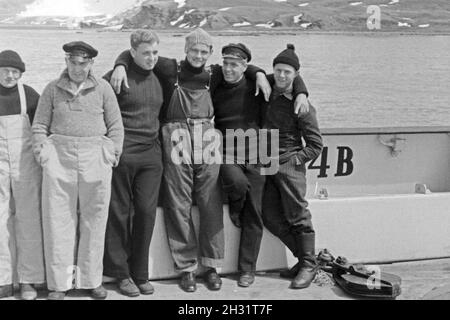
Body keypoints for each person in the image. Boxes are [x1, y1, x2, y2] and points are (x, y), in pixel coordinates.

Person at [110, 28, 270, 293]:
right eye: (194, 50)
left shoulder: (214, 74)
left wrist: (260, 74)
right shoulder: (170, 68)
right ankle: (186, 269)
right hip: (176, 135)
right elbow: (133, 53)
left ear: (209, 53)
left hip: (206, 135)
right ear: (186, 50)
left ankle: (212, 266)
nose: (198, 55)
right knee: (178, 202)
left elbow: (245, 67)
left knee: (210, 201)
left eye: (204, 51)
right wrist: (118, 66)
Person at [32, 41, 124, 300]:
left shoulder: (103, 88)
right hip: (59, 157)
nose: (77, 68)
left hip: (96, 156)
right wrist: (42, 152)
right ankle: (59, 284)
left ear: (91, 63)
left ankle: (91, 280)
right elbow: (39, 124)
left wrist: (112, 152)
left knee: (94, 220)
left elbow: (116, 124)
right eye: (73, 62)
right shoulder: (52, 89)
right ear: (66, 62)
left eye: (83, 63)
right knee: (57, 220)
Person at [213, 43, 310, 287]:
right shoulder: (215, 79)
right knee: (236, 182)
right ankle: (237, 205)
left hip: (258, 154)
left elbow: (291, 78)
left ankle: (247, 270)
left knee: (256, 214)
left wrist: (301, 93)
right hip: (227, 151)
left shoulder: (257, 82)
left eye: (235, 64)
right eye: (226, 63)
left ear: (244, 66)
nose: (228, 68)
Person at [102, 30, 164, 297]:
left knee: (146, 212)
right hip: (122, 154)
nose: (152, 58)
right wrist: (120, 64)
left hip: (151, 156)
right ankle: (120, 274)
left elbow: (202, 65)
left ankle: (140, 273)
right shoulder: (115, 77)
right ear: (133, 53)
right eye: (146, 53)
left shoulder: (162, 73)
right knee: (119, 213)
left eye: (155, 52)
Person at [262, 44, 323, 290]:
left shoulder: (303, 106)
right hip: (265, 163)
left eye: (288, 72)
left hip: (289, 166)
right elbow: (252, 72)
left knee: (298, 215)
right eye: (278, 70)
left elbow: (316, 146)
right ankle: (307, 259)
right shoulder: (265, 89)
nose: (282, 76)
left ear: (296, 74)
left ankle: (308, 264)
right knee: (269, 216)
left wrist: (293, 161)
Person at [0, 50, 45, 300]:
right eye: (5, 70)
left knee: (28, 220)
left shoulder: (28, 95)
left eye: (15, 72)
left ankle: (30, 279)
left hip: (25, 165)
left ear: (21, 74)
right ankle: (3, 280)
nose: (10, 75)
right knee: (0, 220)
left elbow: (45, 125)